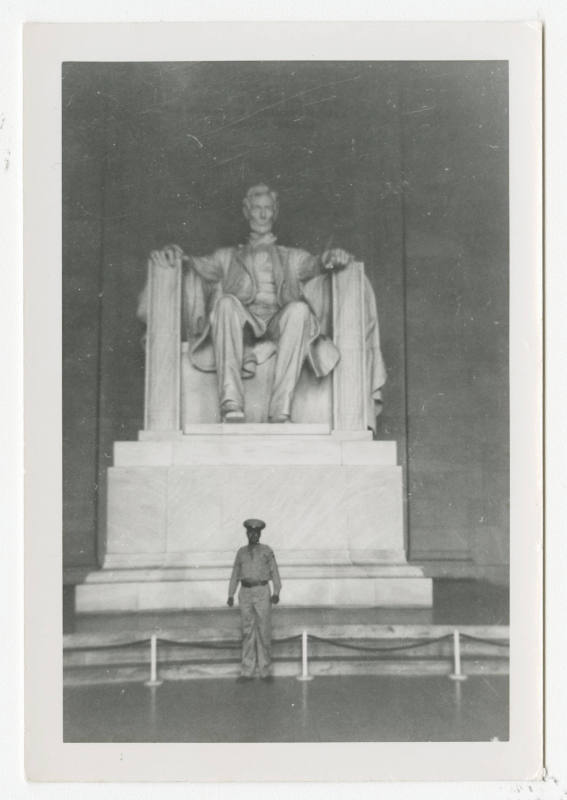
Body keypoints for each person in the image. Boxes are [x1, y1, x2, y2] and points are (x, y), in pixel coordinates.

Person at [143, 183, 386, 423]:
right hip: (243, 321)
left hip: (277, 322)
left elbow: (315, 264)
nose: (262, 214)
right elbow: (194, 264)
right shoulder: (226, 257)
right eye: (257, 208)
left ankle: (281, 408)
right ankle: (231, 403)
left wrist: (331, 257)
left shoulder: (291, 256)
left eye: (267, 208)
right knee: (226, 303)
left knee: (300, 310)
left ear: (275, 211)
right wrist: (173, 254)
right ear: (247, 211)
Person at [227, 518, 282, 681]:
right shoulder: (241, 552)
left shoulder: (267, 551)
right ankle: (247, 670)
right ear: (246, 534)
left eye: (256, 533)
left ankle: (265, 671)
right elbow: (235, 574)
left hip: (262, 592)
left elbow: (275, 572)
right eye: (250, 532)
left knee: (264, 630)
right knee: (247, 631)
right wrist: (230, 594)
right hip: (245, 593)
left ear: (260, 534)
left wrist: (276, 591)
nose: (253, 535)